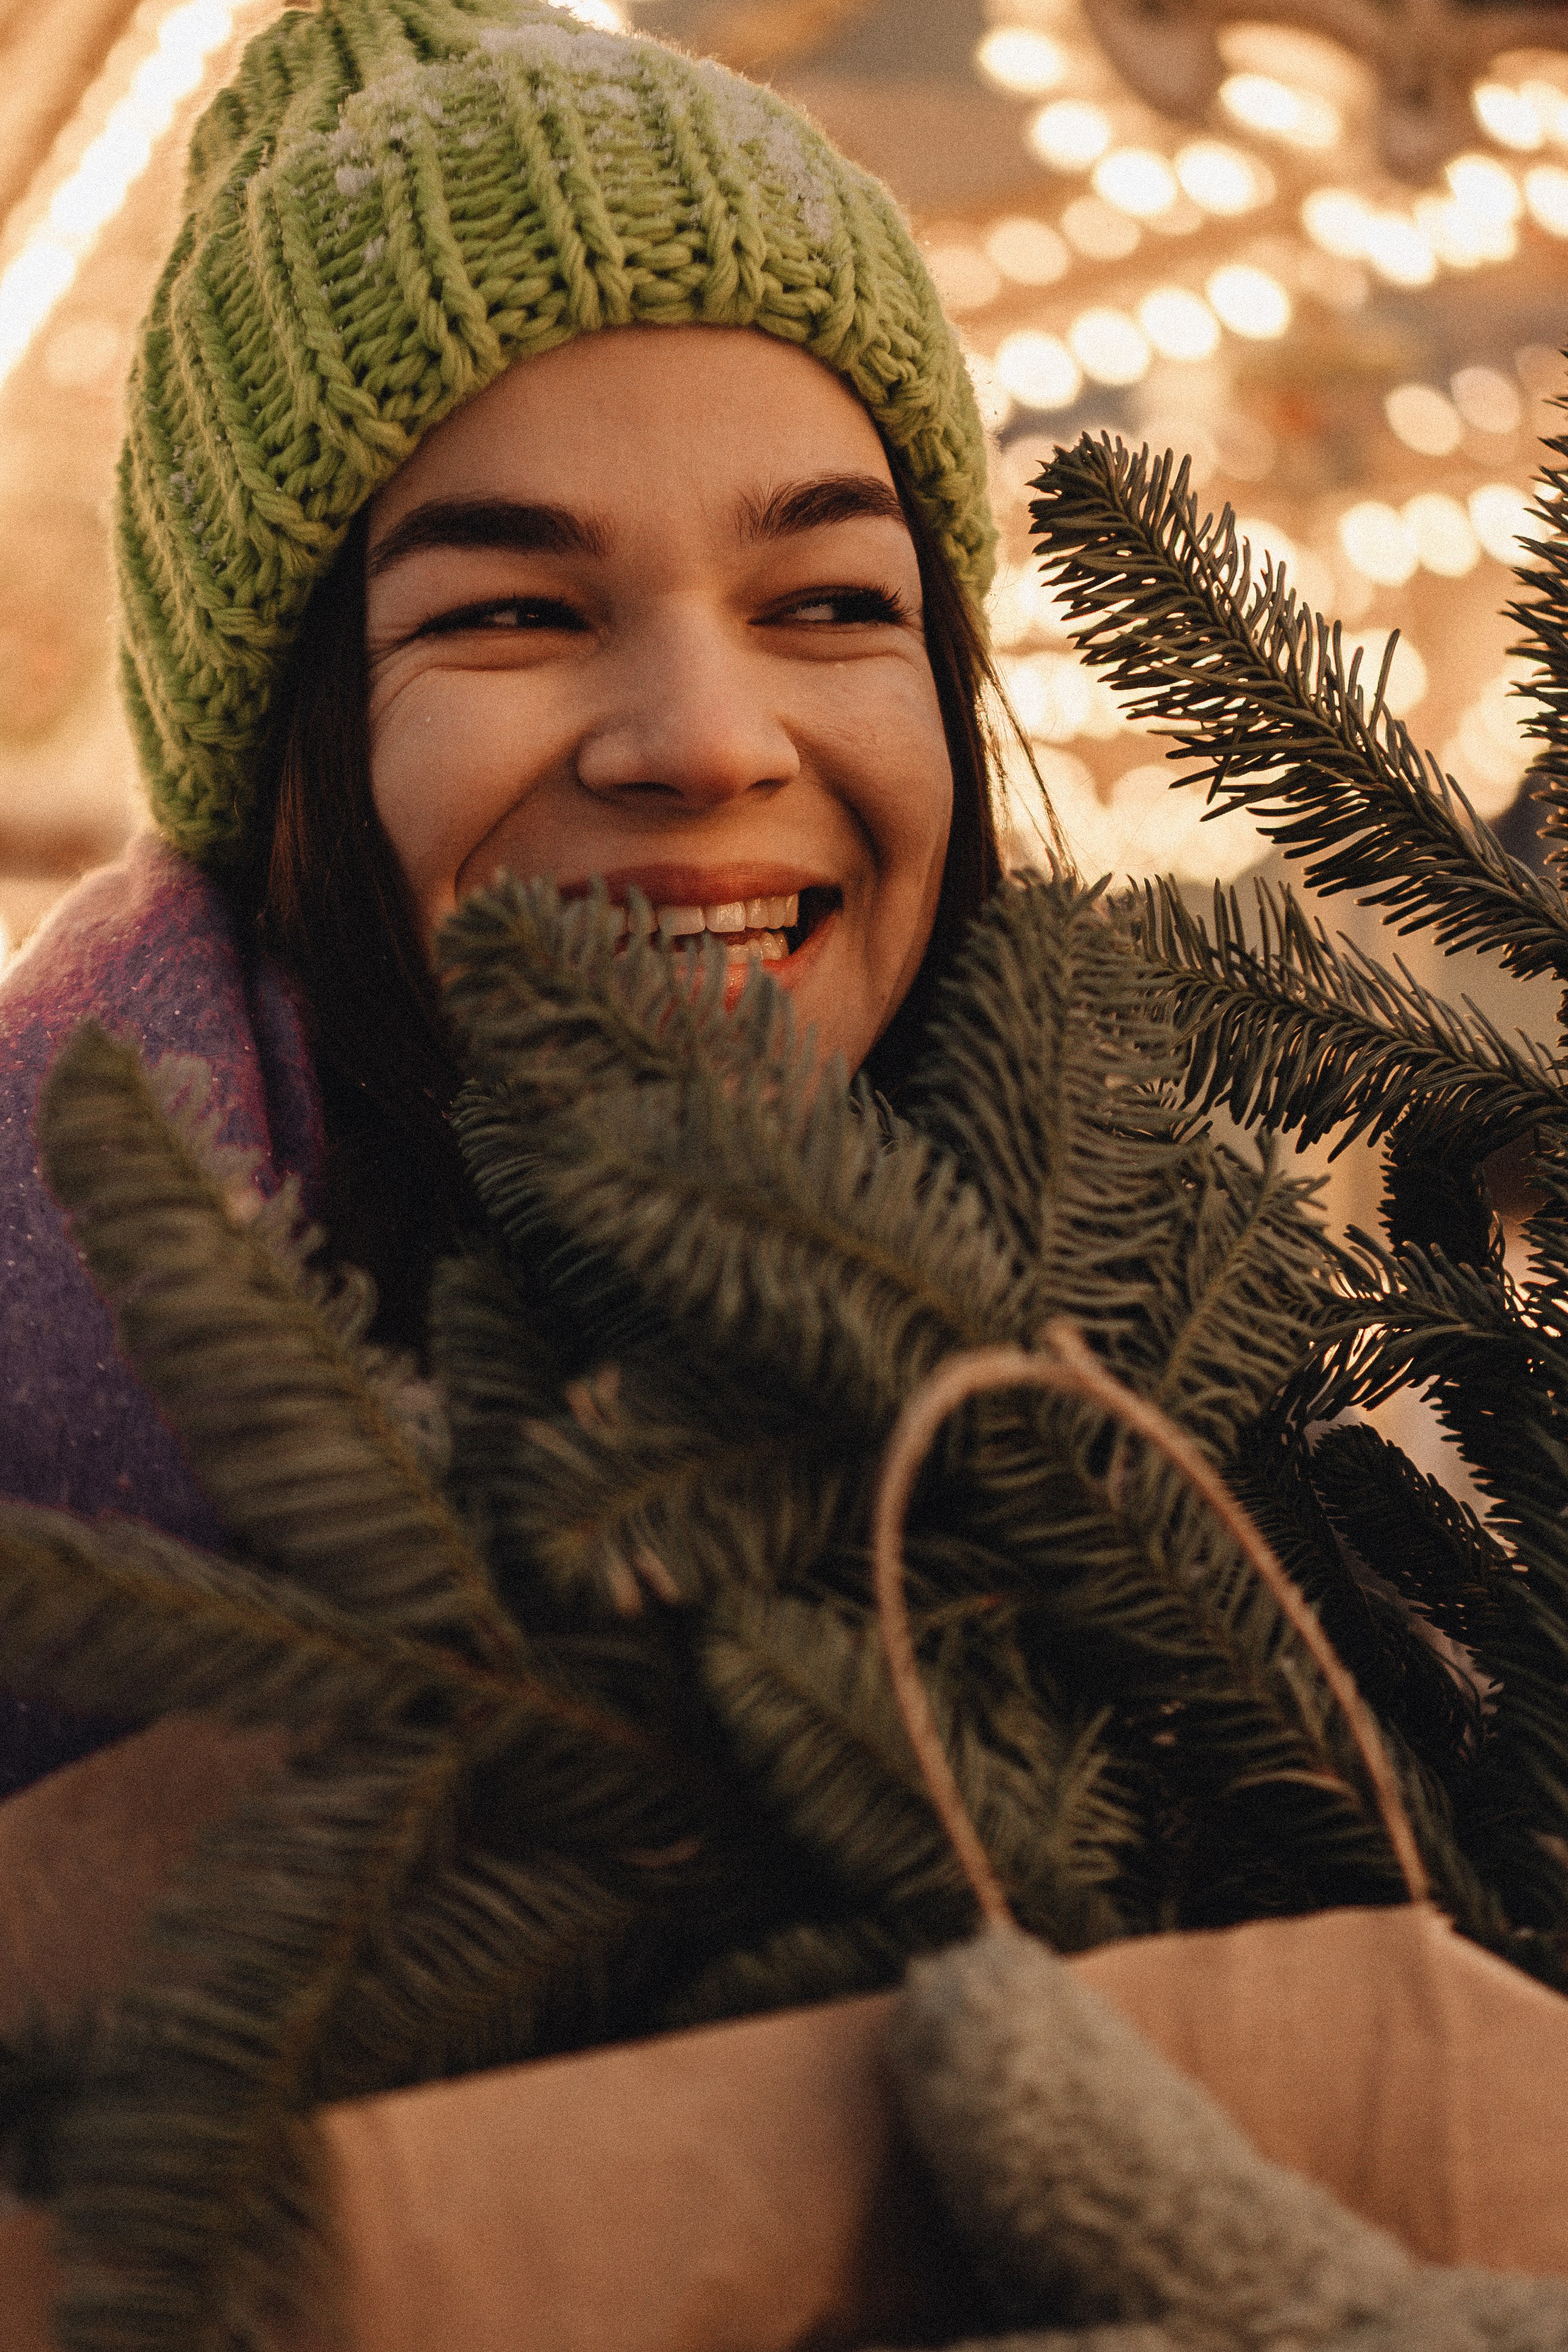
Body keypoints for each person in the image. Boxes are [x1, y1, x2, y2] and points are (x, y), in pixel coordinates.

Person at [0, 0, 1015, 1792]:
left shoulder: (1253, 1364)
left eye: (834, 601)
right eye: (511, 614)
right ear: (289, 753)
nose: (708, 744)